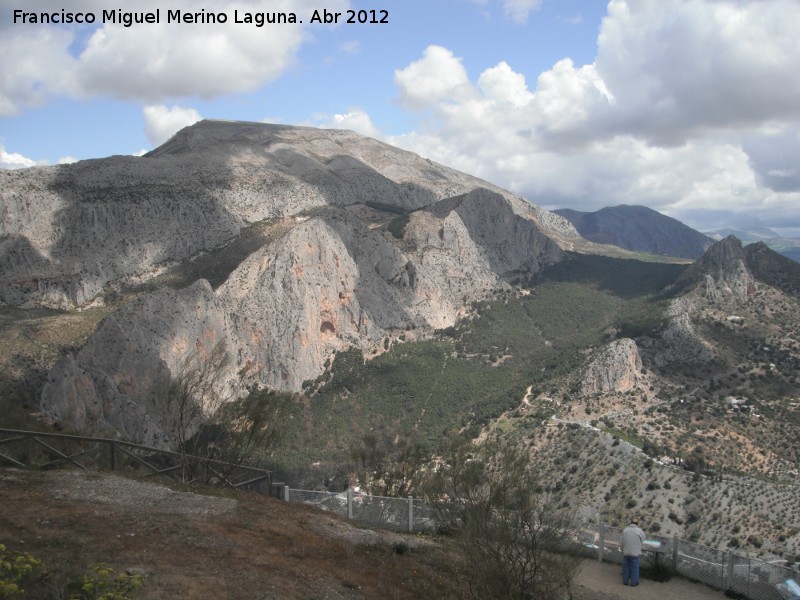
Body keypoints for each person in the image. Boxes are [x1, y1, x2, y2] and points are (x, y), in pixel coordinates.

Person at [621, 517, 646, 586]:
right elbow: (643, 539)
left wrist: (622, 549)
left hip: (626, 552)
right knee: (635, 568)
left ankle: (625, 581)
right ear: (637, 523)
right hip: (635, 553)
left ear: (631, 522)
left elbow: (622, 541)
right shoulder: (639, 531)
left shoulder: (625, 530)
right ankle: (634, 582)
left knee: (626, 567)